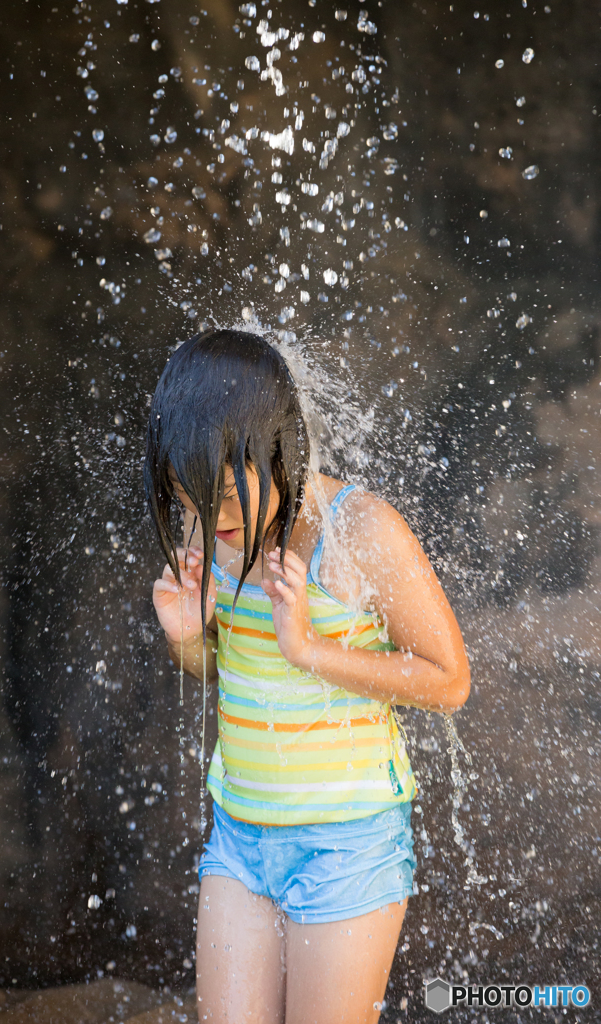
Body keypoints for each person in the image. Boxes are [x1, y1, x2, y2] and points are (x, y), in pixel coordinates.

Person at [144, 327, 470, 1024]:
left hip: (345, 846)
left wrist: (311, 649)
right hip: (240, 839)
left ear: (280, 451)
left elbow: (447, 681)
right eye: (187, 495)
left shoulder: (361, 532)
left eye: (228, 496)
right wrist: (184, 639)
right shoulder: (213, 527)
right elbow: (221, 670)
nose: (209, 517)